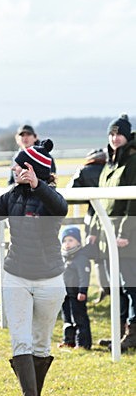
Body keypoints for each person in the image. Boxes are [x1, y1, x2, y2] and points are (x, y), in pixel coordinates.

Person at [0, 139, 68, 396]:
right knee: (20, 340)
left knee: (41, 343)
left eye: (18, 166)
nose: (13, 170)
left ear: (32, 169)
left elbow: (60, 207)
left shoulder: (51, 197)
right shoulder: (12, 195)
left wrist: (38, 185)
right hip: (16, 276)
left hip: (50, 279)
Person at [88, 115, 136, 352]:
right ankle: (119, 332)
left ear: (127, 136)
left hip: (126, 236)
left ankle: (133, 332)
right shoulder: (109, 164)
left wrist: (125, 232)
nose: (114, 138)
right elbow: (101, 201)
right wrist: (94, 231)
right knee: (115, 286)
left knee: (130, 286)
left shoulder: (133, 161)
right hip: (107, 236)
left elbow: (132, 203)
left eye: (119, 134)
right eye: (111, 134)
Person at [67, 147, 109, 302]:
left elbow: (71, 192)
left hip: (93, 218)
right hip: (112, 216)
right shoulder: (110, 169)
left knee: (96, 256)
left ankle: (104, 287)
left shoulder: (84, 171)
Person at [58, 225, 92, 350]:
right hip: (65, 294)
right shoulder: (63, 257)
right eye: (65, 241)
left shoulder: (81, 258)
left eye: (71, 240)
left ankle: (83, 343)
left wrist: (83, 291)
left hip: (77, 294)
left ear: (78, 242)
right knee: (67, 318)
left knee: (79, 318)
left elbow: (84, 276)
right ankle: (68, 340)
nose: (67, 244)